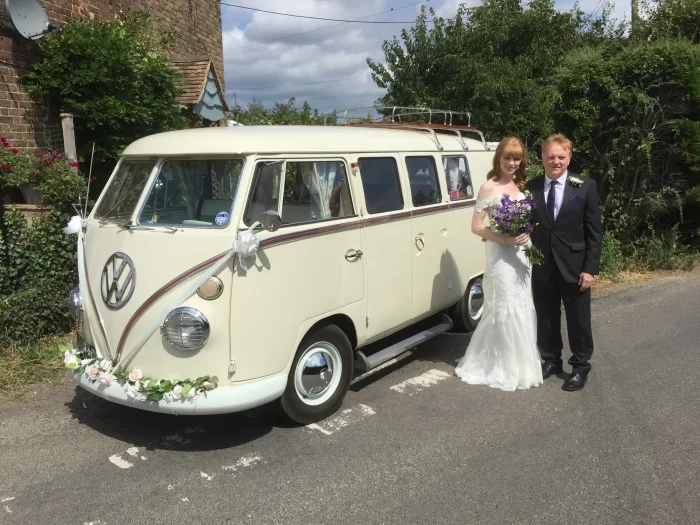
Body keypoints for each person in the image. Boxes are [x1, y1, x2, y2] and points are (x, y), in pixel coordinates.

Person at [454, 137, 543, 391]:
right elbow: (477, 227)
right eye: (507, 158)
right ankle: (502, 364)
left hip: (523, 254)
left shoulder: (520, 186)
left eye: (516, 159)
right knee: (504, 305)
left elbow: (525, 221)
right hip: (501, 256)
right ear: (499, 159)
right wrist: (504, 237)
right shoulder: (487, 188)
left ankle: (522, 362)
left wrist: (525, 234)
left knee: (522, 302)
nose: (512, 163)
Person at [526, 134, 603, 391]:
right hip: (543, 264)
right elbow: (525, 224)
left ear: (569, 157)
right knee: (546, 315)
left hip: (575, 265)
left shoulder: (585, 186)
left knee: (578, 319)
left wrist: (590, 268)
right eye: (551, 157)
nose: (556, 161)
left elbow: (595, 232)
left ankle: (580, 366)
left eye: (561, 156)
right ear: (542, 158)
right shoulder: (532, 186)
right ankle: (551, 360)